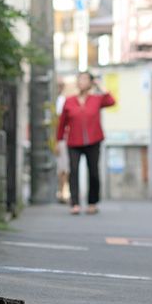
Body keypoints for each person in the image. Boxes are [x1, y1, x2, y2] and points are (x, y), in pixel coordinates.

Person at [56, 72, 115, 215]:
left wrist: (100, 85)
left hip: (94, 140)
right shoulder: (69, 101)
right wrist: (59, 141)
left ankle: (92, 203)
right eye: (79, 79)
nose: (81, 82)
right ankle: (74, 203)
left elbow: (111, 101)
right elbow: (62, 123)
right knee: (74, 171)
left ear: (90, 82)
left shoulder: (96, 99)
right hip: (74, 142)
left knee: (93, 172)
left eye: (85, 79)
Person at [55, 80, 69, 203]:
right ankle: (61, 191)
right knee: (61, 167)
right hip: (57, 139)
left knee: (64, 167)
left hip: (63, 138)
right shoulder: (53, 101)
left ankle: (63, 191)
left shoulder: (62, 101)